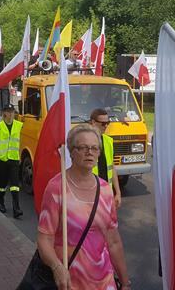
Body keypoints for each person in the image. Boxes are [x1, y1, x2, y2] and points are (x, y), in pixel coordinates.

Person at [35, 124, 130, 289]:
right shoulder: (57, 188)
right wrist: (57, 267)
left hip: (104, 280)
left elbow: (113, 241)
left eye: (94, 148)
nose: (89, 152)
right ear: (71, 152)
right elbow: (45, 239)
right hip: (70, 282)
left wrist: (125, 282)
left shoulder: (105, 189)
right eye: (83, 147)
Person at [0, 104, 23, 218]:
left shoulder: (18, 125)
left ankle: (16, 209)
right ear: (4, 113)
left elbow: (20, 140)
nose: (11, 114)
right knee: (2, 184)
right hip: (2, 159)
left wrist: (20, 154)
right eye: (9, 112)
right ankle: (1, 203)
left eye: (12, 111)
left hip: (13, 159)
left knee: (15, 184)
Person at [89, 108, 122, 209]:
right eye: (103, 123)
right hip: (90, 195)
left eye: (108, 123)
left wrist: (118, 192)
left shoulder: (108, 141)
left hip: (107, 193)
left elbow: (112, 168)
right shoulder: (85, 142)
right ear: (93, 122)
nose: (106, 126)